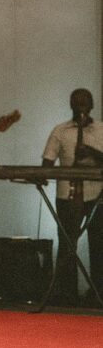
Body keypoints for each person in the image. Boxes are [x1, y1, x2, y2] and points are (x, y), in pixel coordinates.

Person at [42, 88, 103, 306]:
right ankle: (68, 295)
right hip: (67, 196)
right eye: (76, 103)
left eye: (84, 103)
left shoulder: (101, 129)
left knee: (99, 246)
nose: (80, 107)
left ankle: (97, 294)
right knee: (67, 245)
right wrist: (43, 174)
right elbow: (47, 161)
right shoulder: (60, 131)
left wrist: (91, 152)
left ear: (92, 105)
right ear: (70, 106)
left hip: (97, 196)